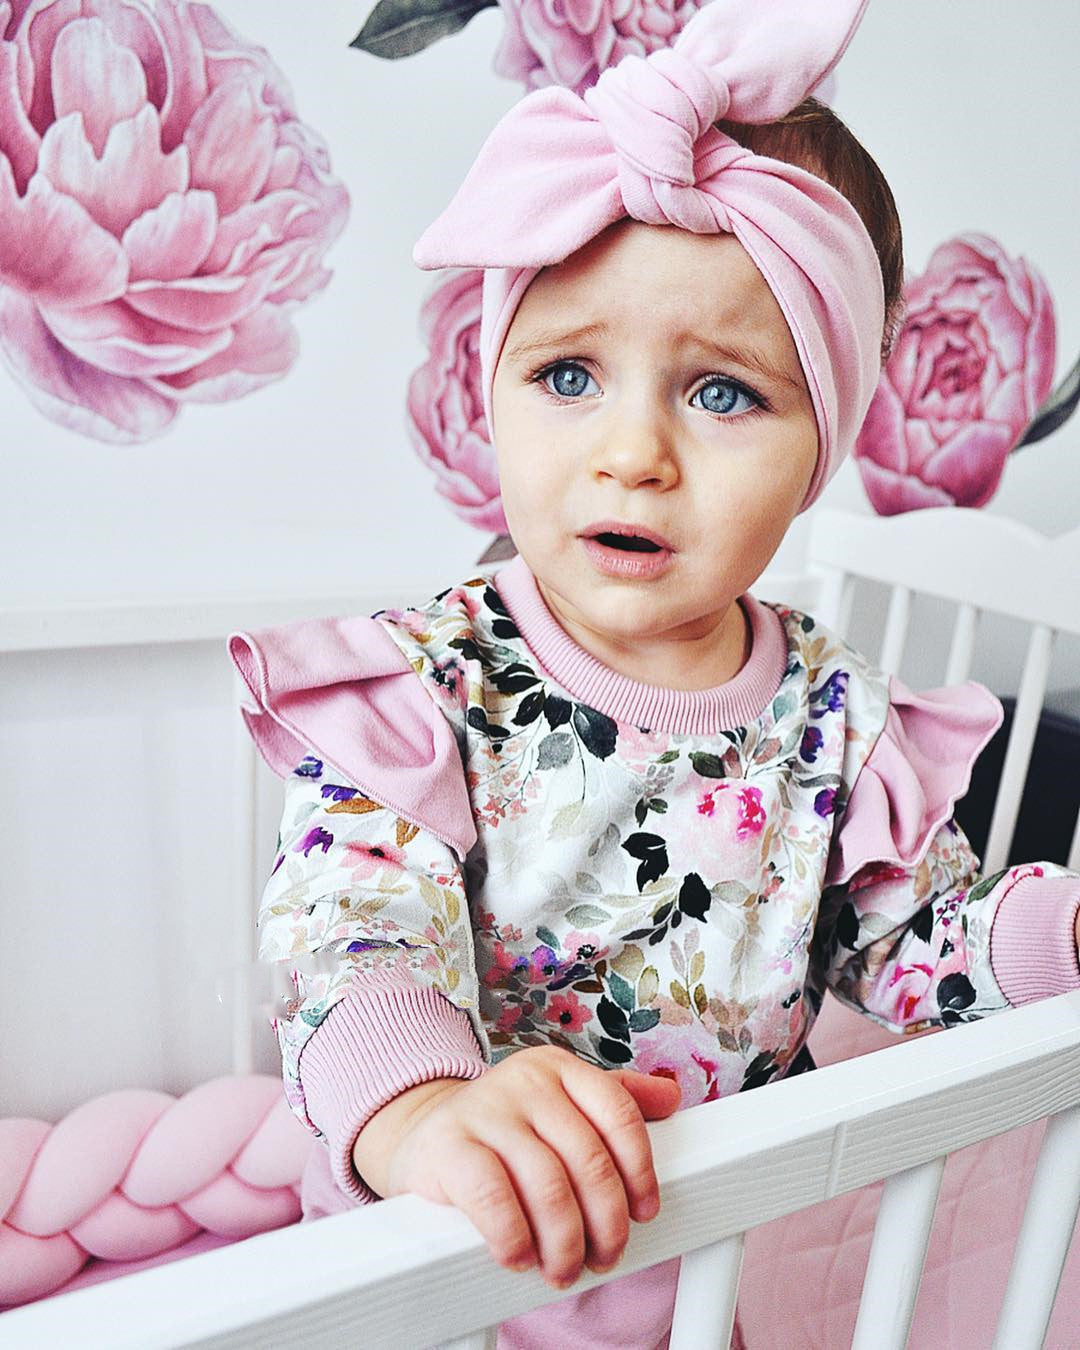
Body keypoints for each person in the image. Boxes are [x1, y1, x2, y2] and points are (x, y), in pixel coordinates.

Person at [228, 2, 1080, 1344]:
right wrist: (425, 1107)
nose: (632, 454)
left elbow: (913, 944)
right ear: (494, 386)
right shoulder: (428, 685)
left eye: (721, 393)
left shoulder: (838, 719)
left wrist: (1051, 938)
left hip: (700, 1260)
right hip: (445, 1249)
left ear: (820, 446)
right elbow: (352, 933)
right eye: (568, 373)